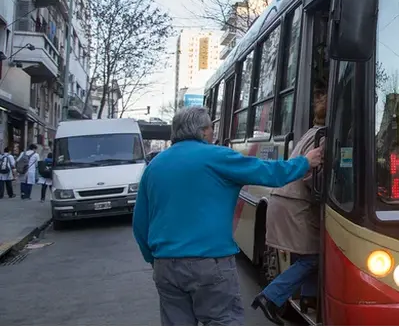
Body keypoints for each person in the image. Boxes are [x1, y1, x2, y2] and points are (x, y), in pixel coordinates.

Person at [132, 106, 324, 326]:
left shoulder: (154, 166)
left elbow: (140, 223)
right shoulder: (217, 157)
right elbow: (271, 173)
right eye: (211, 128)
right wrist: (306, 162)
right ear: (202, 131)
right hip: (210, 263)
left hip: (165, 265)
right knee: (223, 320)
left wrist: (154, 259)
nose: (213, 133)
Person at [252, 93, 327, 325]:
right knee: (314, 257)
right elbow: (314, 177)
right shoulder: (325, 138)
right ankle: (270, 297)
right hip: (296, 205)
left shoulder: (311, 132)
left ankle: (308, 299)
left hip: (284, 200)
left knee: (304, 254)